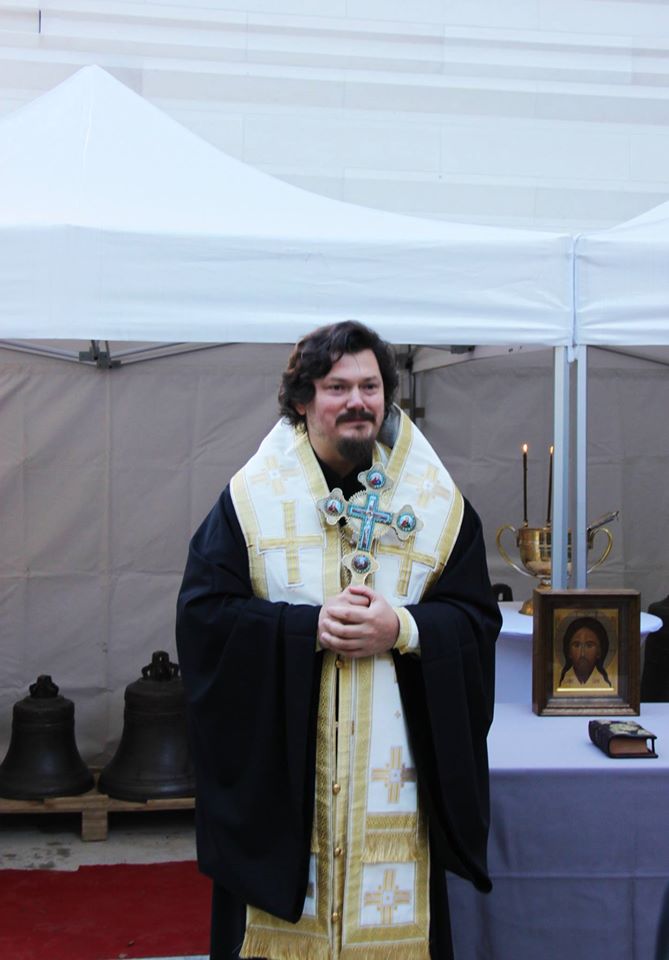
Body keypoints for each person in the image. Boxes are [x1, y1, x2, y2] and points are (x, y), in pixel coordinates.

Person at [176, 320, 501, 960]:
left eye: (371, 386)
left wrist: (402, 628)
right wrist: (305, 629)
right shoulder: (251, 501)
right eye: (337, 386)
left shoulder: (435, 506)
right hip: (289, 787)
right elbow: (203, 617)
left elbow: (474, 621)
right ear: (302, 400)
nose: (358, 401)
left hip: (396, 791)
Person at [558, 616, 613, 689]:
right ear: (569, 651)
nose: (582, 654)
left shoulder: (606, 685)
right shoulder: (562, 684)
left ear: (599, 651)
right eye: (576, 645)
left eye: (589, 645)